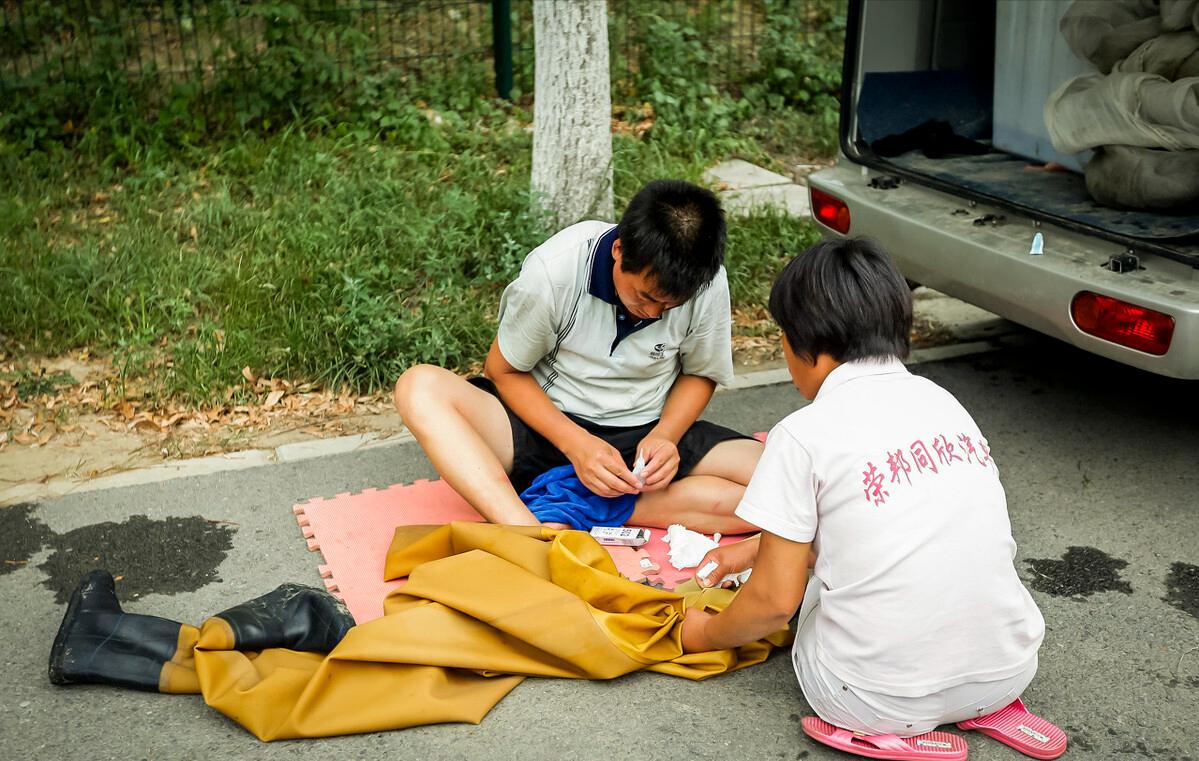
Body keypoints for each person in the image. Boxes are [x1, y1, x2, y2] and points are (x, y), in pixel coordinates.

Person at [681, 239, 1063, 759]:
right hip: (1008, 672)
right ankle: (974, 704)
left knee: (807, 586)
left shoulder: (801, 433)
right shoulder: (943, 401)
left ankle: (884, 724)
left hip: (872, 699)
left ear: (801, 344)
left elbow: (772, 604)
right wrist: (743, 552)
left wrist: (703, 634)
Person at [394, 180, 762, 532]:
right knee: (418, 387)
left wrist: (666, 436)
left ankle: (579, 505)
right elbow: (502, 371)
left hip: (644, 438)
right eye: (646, 297)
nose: (654, 314)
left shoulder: (707, 281)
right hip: (543, 429)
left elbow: (701, 373)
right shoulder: (554, 271)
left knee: (779, 482)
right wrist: (577, 445)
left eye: (671, 305)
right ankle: (525, 530)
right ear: (619, 251)